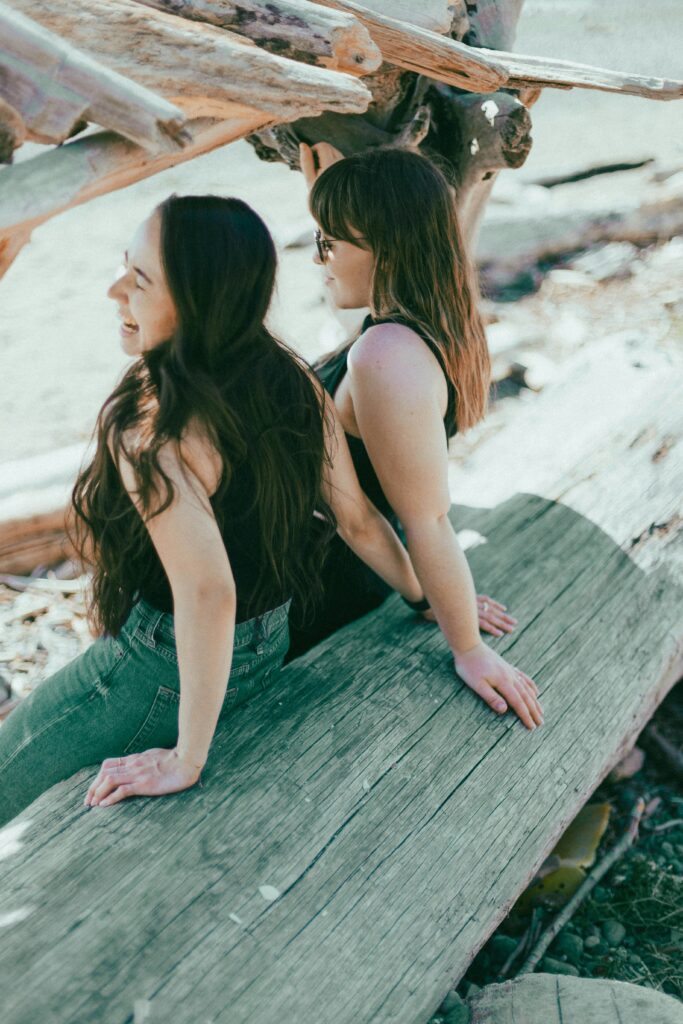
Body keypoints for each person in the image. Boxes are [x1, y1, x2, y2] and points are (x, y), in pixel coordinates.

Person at [0, 194, 426, 827]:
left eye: (139, 280)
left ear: (199, 302)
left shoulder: (149, 427)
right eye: (124, 265)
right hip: (267, 643)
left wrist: (186, 758)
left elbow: (207, 592)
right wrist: (428, 599)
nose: (115, 291)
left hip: (163, 668)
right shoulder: (291, 379)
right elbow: (358, 520)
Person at [288, 143, 543, 733]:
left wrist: (465, 643)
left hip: (318, 588)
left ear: (385, 246)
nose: (317, 258)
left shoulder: (386, 355)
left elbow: (425, 518)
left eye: (328, 242)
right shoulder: (435, 321)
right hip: (364, 567)